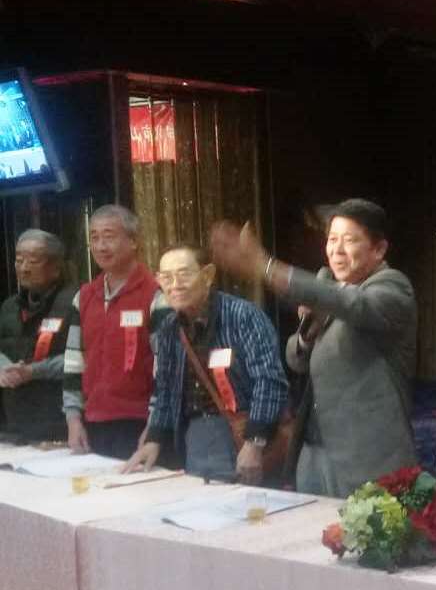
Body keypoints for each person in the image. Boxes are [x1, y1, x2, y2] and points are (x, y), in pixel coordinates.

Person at [210, 198, 417, 497]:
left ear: (379, 249)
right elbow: (295, 360)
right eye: (332, 239)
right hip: (313, 452)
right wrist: (307, 335)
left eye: (350, 240)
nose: (337, 250)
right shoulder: (330, 289)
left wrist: (265, 267)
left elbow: (350, 303)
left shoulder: (392, 287)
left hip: (366, 458)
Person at [122, 245, 288, 482]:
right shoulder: (170, 328)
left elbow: (269, 381)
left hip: (245, 433)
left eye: (184, 275)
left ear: (208, 275)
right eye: (166, 278)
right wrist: (153, 439)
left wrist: (254, 443)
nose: (175, 285)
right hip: (194, 437)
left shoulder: (242, 316)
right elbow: (166, 390)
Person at [63, 205, 167, 459]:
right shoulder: (84, 296)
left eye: (109, 237)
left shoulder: (156, 294)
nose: (100, 246)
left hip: (140, 423)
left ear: (133, 241)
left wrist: (155, 427)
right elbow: (73, 362)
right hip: (92, 422)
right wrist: (73, 419)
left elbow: (165, 367)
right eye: (94, 238)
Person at [0, 229, 77, 442]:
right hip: (13, 423)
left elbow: (84, 358)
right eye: (19, 261)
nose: (24, 268)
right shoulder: (9, 306)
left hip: (58, 423)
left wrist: (33, 371)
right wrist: (3, 369)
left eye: (33, 261)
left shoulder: (75, 302)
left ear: (56, 268)